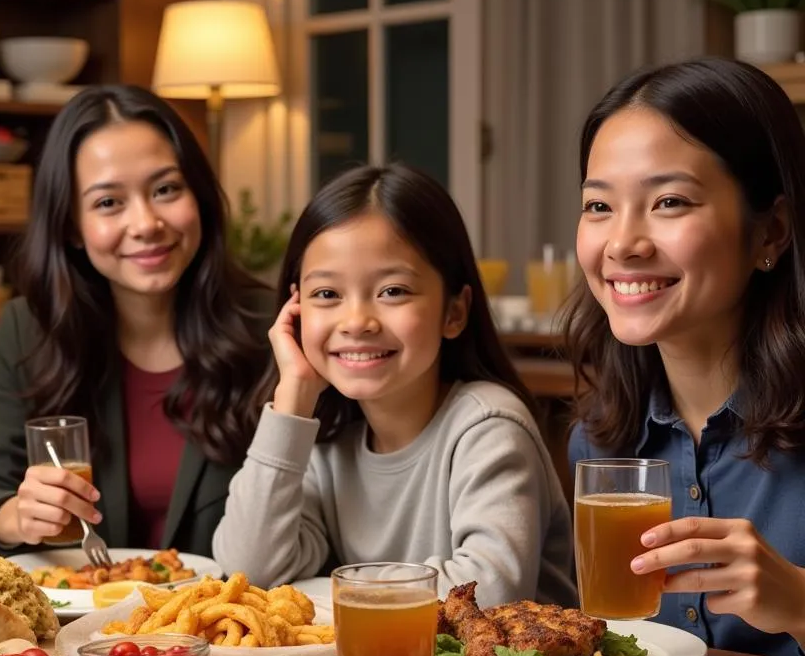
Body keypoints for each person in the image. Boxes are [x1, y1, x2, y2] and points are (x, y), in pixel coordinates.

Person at [212, 162, 575, 604]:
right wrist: (292, 400)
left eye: (393, 291)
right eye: (327, 294)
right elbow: (247, 571)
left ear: (454, 312)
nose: (357, 321)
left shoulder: (488, 425)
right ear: (296, 309)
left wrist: (332, 587)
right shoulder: (322, 437)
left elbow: (488, 592)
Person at [0, 85, 271, 555]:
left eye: (166, 189)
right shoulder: (29, 329)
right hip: (83, 620)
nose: (145, 223)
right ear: (71, 227)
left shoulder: (271, 329)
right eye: (108, 203)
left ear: (198, 196)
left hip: (231, 619)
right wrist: (15, 516)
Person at [566, 56, 805, 656]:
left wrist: (799, 602)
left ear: (771, 231)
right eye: (599, 206)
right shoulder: (598, 441)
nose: (622, 243)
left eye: (669, 202)